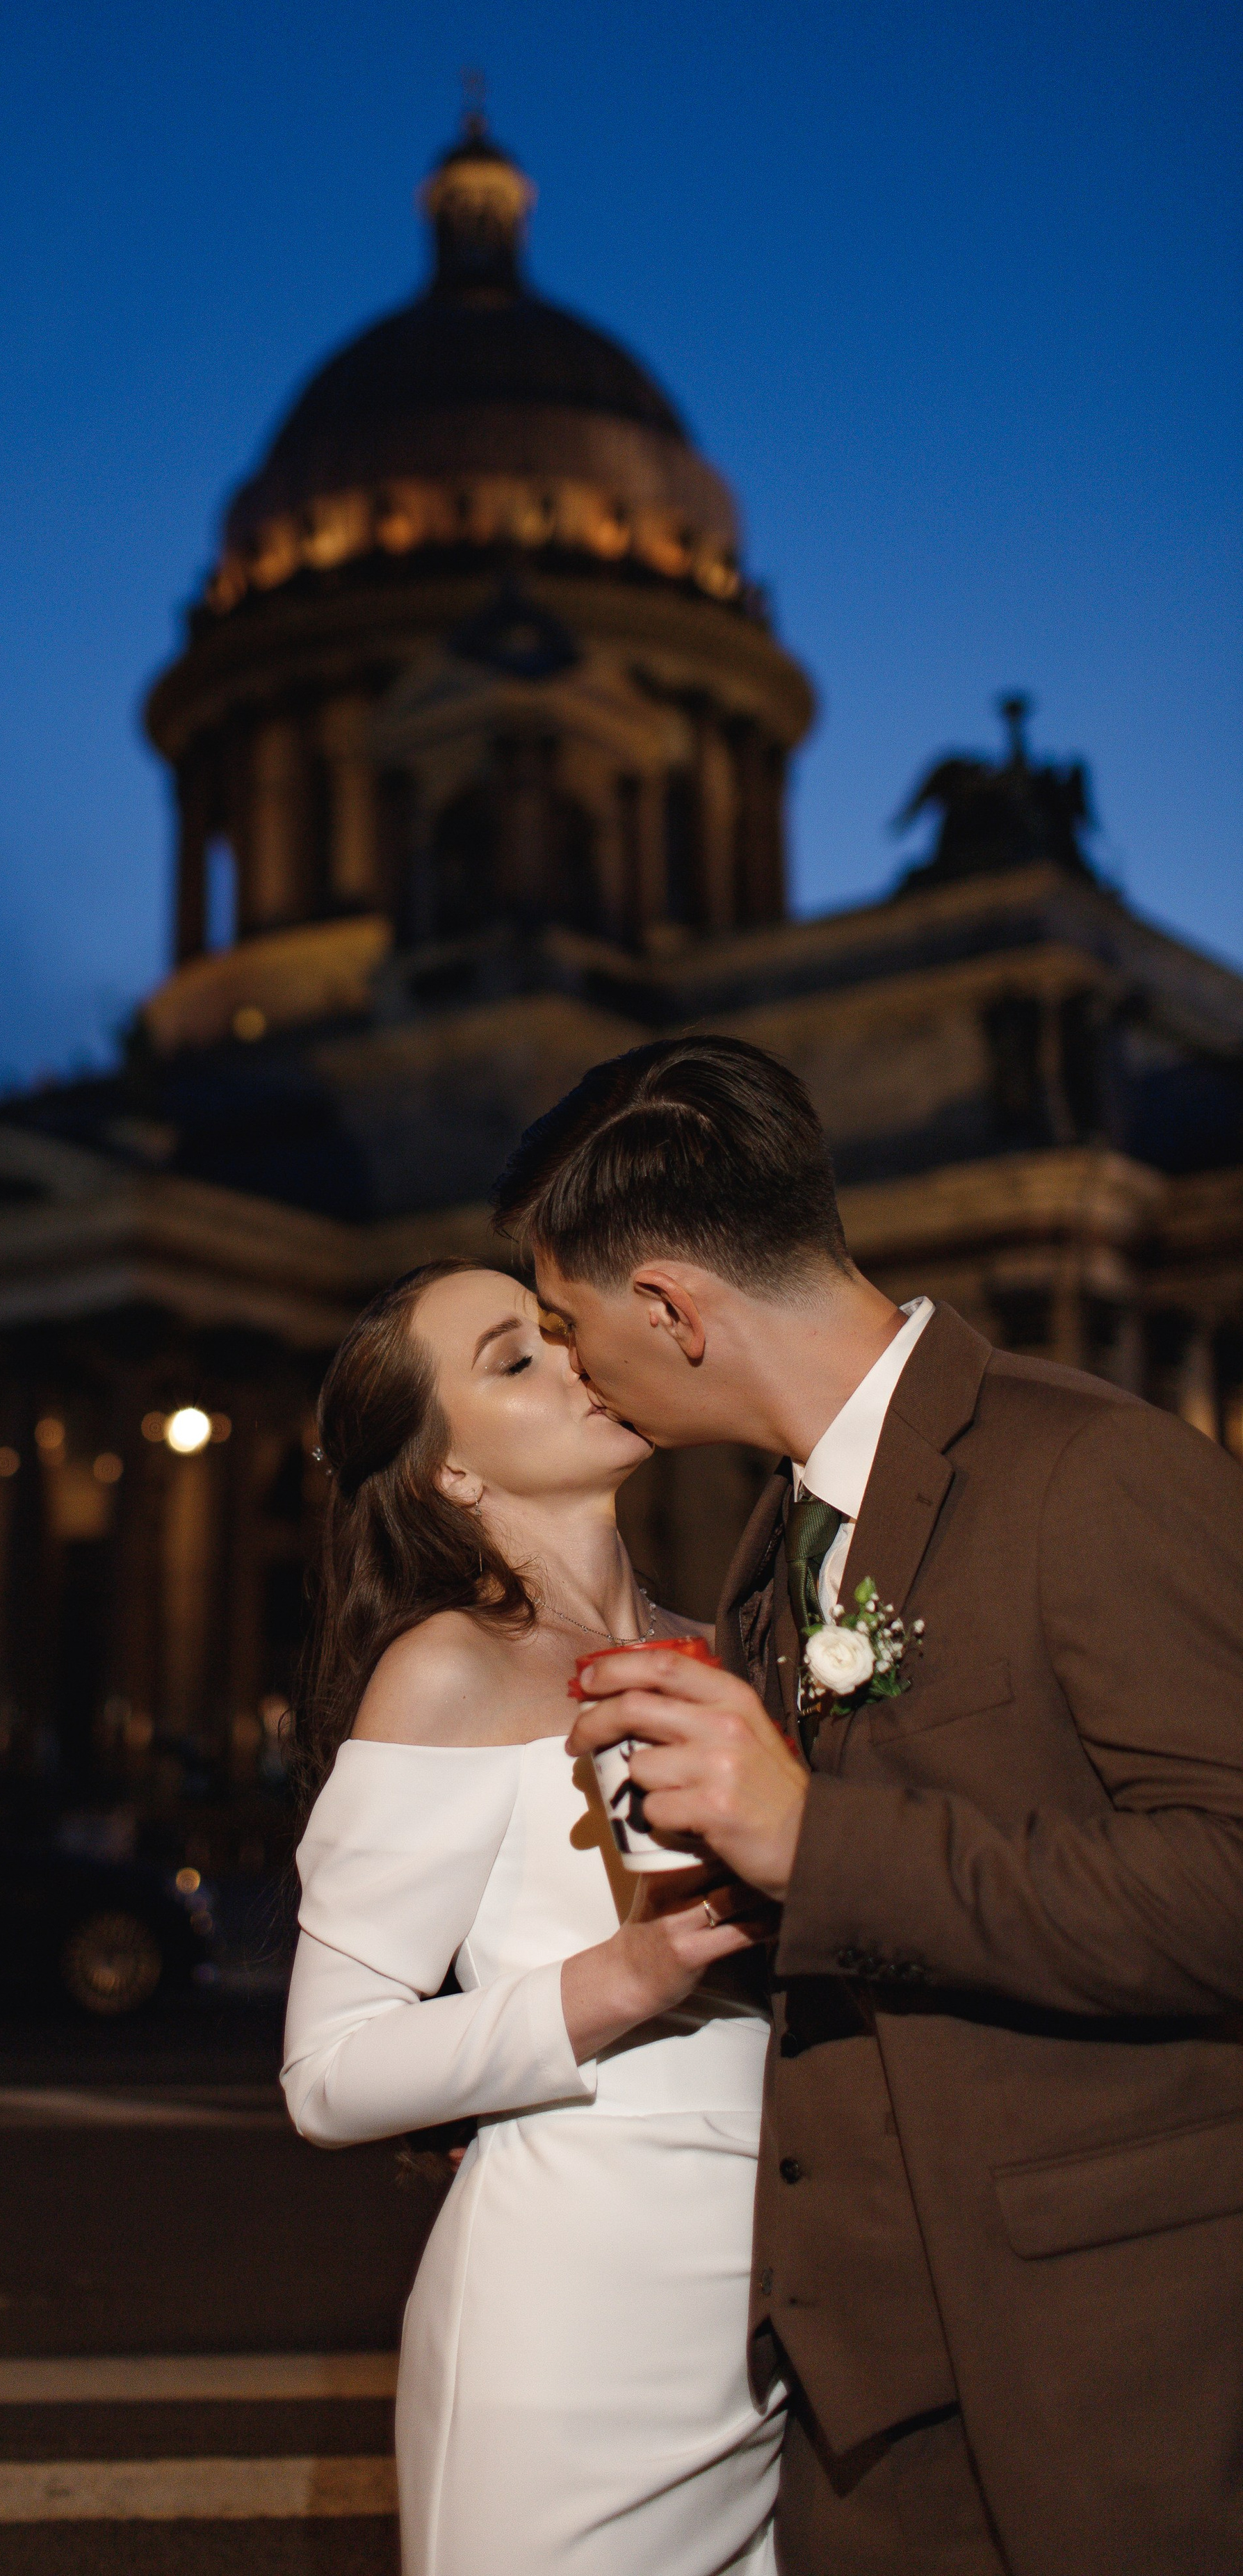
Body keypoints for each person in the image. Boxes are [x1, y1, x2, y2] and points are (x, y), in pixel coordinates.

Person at [493, 1033, 1243, 2576]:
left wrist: (812, 1839)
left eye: (567, 1327)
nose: (569, 1369)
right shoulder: (773, 1540)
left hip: (1089, 2383)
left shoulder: (1092, 1474)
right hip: (865, 2389)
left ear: (670, 1311)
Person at [282, 1257, 785, 2576]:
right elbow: (328, 2075)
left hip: (780, 2306)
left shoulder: (724, 1654)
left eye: (558, 1333)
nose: (573, 1360)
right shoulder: (449, 1666)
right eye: (515, 1359)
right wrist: (620, 1976)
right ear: (451, 1470)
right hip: (571, 2315)